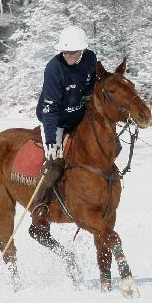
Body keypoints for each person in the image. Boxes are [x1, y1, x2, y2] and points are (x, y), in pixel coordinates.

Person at [32, 25, 97, 229]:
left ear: (83, 51)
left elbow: (93, 83)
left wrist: (89, 95)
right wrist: (51, 140)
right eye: (65, 51)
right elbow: (49, 109)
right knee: (55, 160)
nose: (68, 55)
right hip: (56, 119)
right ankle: (40, 205)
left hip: (79, 115)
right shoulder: (54, 69)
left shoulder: (90, 59)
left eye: (73, 52)